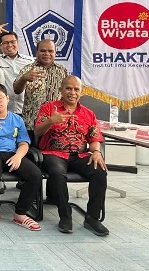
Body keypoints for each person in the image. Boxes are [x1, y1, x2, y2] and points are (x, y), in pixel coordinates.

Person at [34, 75, 109, 236]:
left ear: (81, 93)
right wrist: (51, 121)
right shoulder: (49, 108)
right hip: (53, 153)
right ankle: (65, 215)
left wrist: (96, 152)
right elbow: (37, 132)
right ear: (61, 90)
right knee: (57, 172)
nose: (72, 92)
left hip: (80, 155)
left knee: (100, 171)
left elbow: (95, 138)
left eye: (76, 89)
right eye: (68, 88)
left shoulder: (89, 114)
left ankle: (92, 218)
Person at [0, 83, 42, 231]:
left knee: (35, 174)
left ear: (7, 98)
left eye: (0, 98)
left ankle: (20, 214)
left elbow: (23, 143)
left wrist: (18, 156)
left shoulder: (17, 119)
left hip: (12, 153)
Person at [14, 39, 69, 137]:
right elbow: (16, 90)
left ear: (55, 53)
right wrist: (24, 79)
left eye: (50, 51)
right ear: (37, 52)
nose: (47, 54)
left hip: (55, 124)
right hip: (31, 124)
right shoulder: (27, 69)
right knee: (31, 151)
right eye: (43, 51)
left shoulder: (63, 71)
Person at [0, 22, 35, 116]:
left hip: (26, 109)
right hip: (3, 110)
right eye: (5, 43)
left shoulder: (30, 61)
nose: (9, 45)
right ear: (0, 46)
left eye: (12, 42)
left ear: (17, 43)